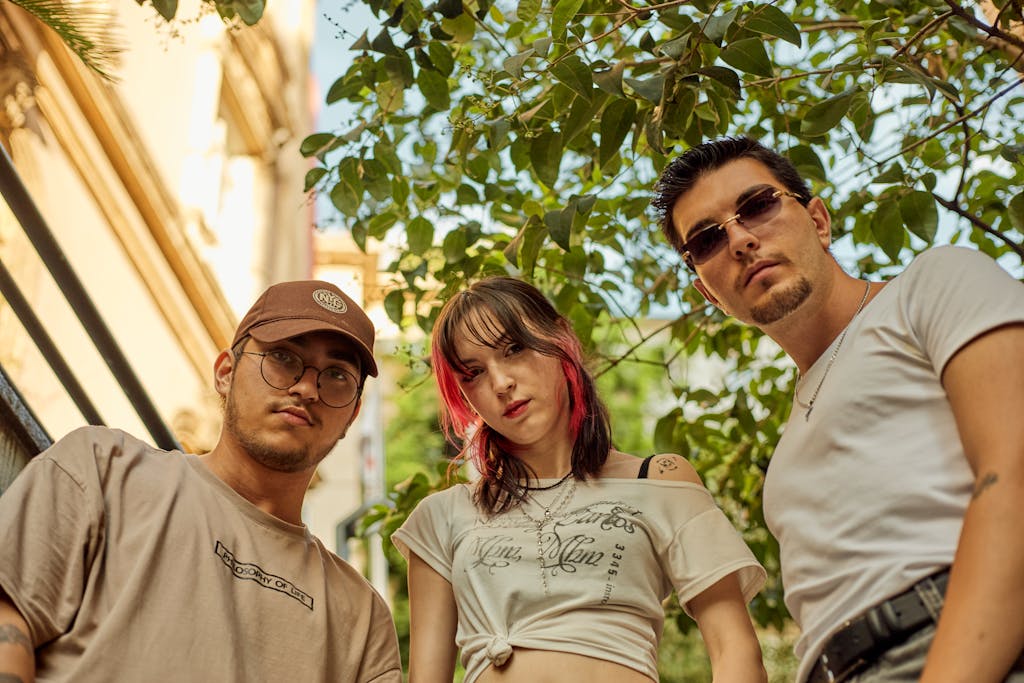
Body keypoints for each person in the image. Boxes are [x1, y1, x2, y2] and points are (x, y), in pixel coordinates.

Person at [653, 135, 1024, 683]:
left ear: (819, 222)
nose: (739, 239)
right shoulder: (785, 459)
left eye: (756, 206)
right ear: (709, 294)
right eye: (706, 239)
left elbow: (1014, 472)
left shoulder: (931, 286)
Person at [0, 280, 402, 682]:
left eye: (336, 375)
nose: (306, 387)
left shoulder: (361, 617)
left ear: (352, 416)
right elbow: (8, 615)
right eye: (283, 356)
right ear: (225, 372)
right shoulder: (104, 468)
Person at [391, 276, 767, 683]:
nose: (501, 384)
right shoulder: (442, 516)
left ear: (561, 339)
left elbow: (736, 652)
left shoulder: (658, 480)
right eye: (473, 374)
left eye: (514, 348)